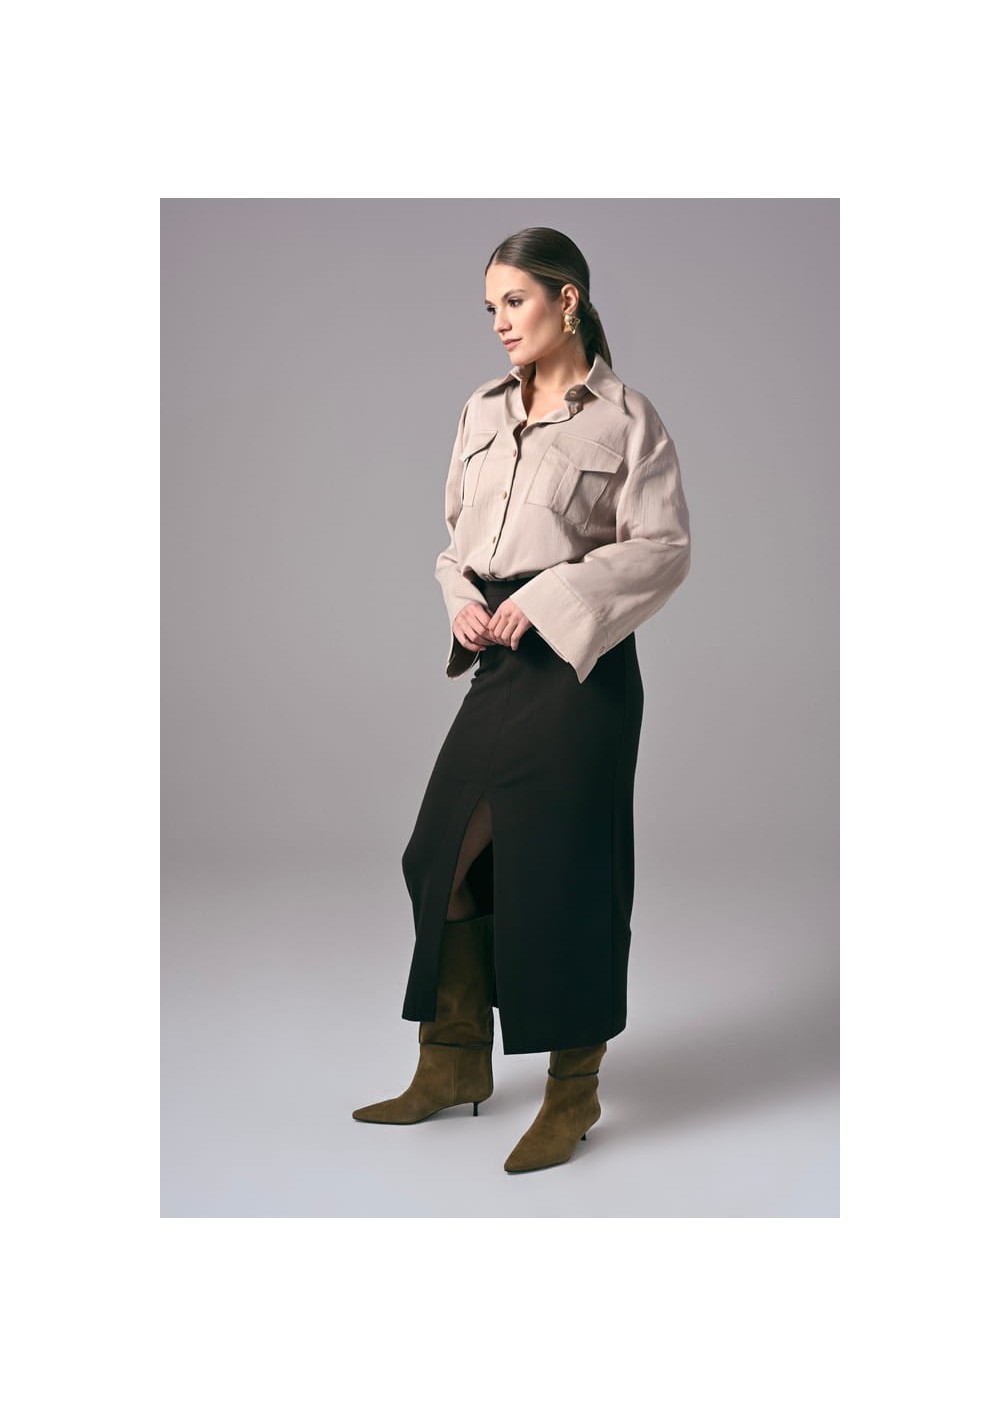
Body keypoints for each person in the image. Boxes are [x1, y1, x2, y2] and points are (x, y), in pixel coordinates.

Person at [352, 226, 692, 1173]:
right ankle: (454, 1063)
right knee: (440, 852)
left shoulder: (626, 418)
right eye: (491, 308)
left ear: (567, 299)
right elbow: (455, 543)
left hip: (580, 667)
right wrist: (461, 601)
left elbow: (663, 549)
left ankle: (573, 1090)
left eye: (515, 301)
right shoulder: (482, 409)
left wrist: (546, 599)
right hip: (499, 661)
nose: (500, 322)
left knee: (566, 871)